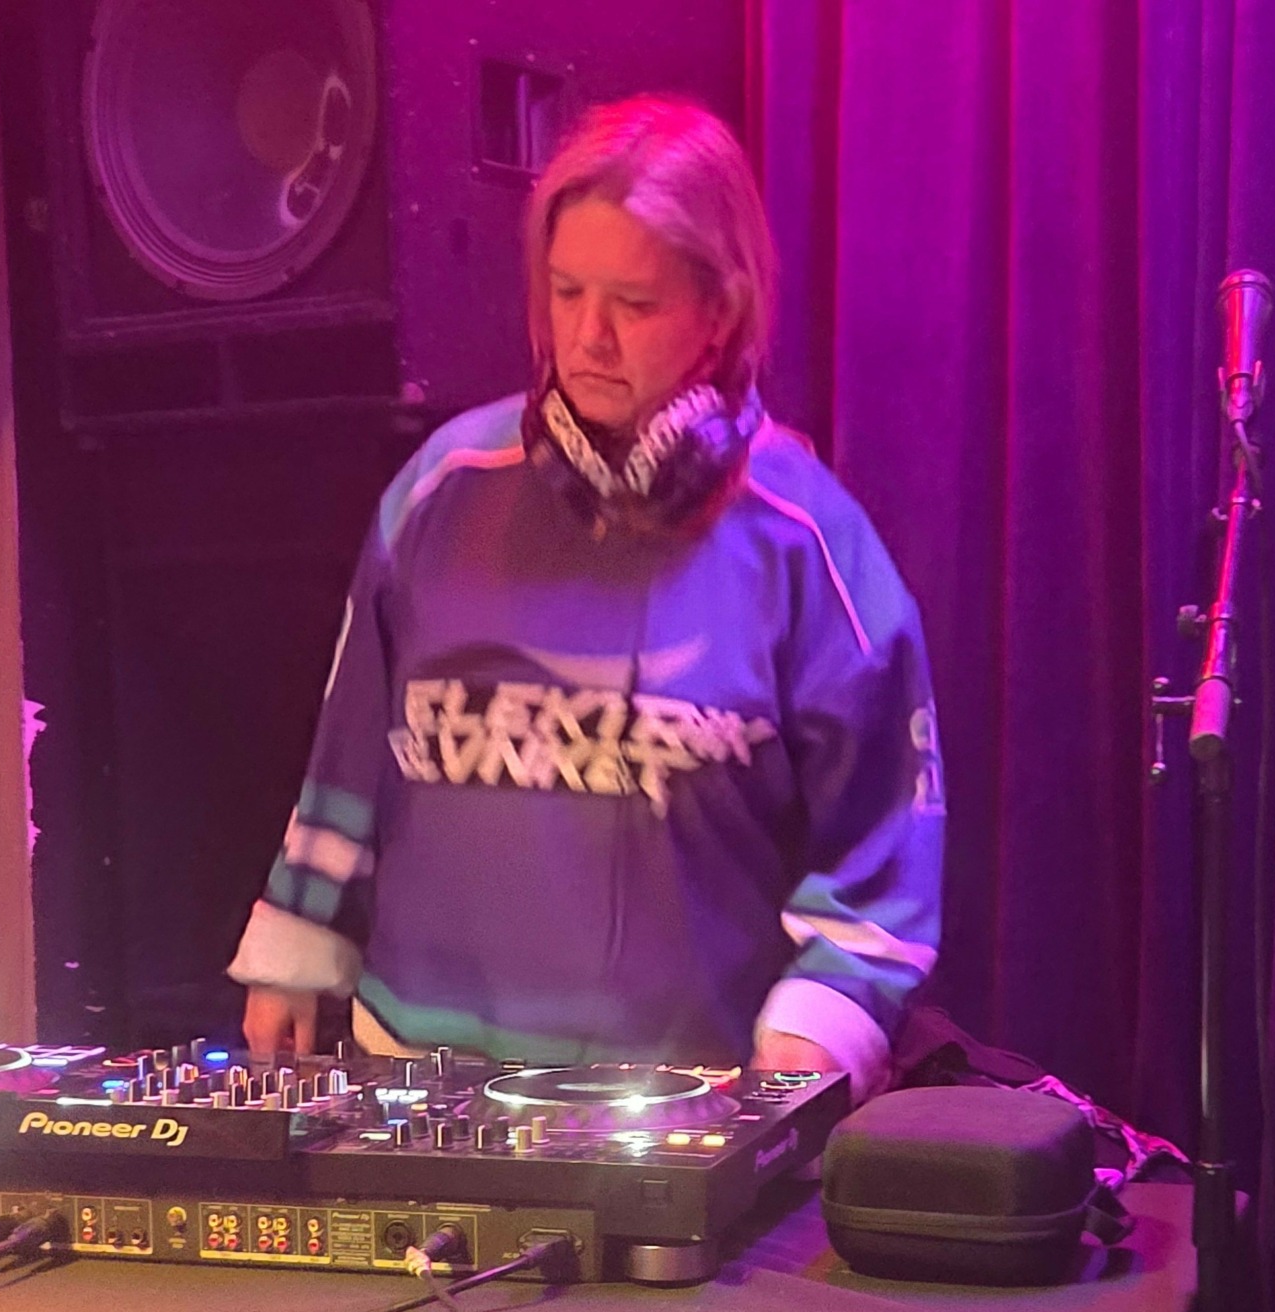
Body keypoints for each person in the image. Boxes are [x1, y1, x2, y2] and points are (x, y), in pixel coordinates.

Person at [230, 95, 943, 1103]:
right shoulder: (443, 489)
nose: (589, 337)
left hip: (685, 1103)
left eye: (634, 304)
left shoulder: (808, 543)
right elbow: (347, 752)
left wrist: (820, 1025)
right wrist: (297, 938)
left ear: (720, 310)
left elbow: (883, 845)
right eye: (566, 292)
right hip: (418, 1078)